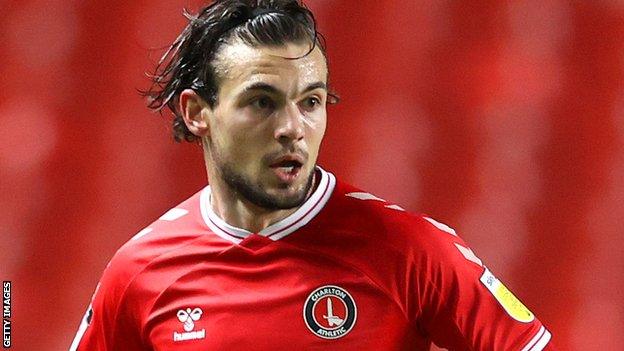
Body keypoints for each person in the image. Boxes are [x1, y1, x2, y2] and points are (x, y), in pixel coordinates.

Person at [70, 1, 555, 350]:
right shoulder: (139, 272)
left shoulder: (410, 252)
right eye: (262, 102)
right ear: (198, 112)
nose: (291, 129)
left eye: (311, 102)